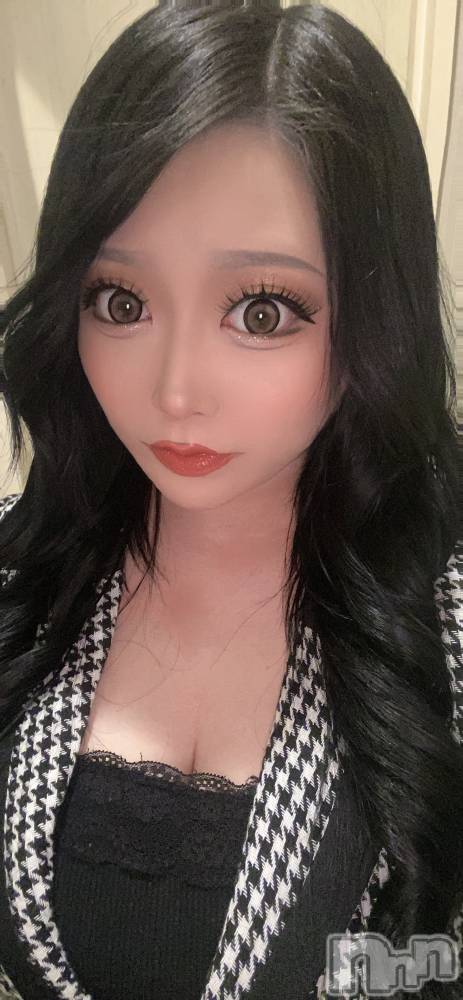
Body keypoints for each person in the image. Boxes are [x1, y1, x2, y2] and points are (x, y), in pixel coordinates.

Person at [0, 2, 462, 998]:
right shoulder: (27, 574)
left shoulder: (442, 611)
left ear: (372, 316)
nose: (173, 391)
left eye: (260, 311)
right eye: (120, 302)